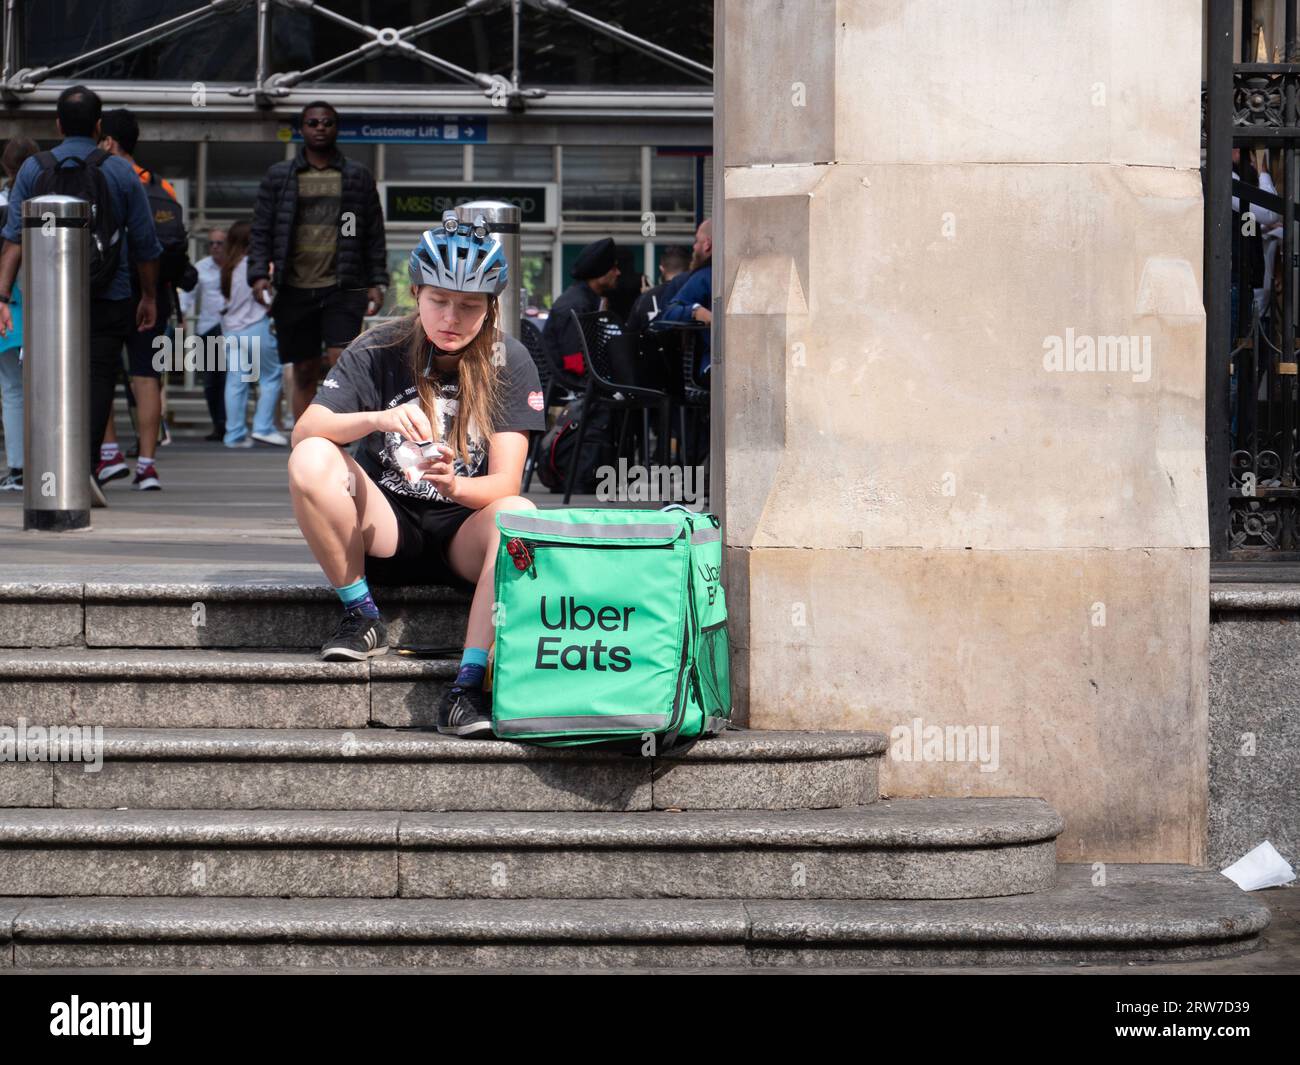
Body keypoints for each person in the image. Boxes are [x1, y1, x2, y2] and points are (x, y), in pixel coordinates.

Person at [288, 210, 545, 737]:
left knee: (520, 515)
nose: (452, 317)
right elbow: (305, 430)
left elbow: (505, 487)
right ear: (415, 293)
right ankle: (361, 614)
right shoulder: (379, 345)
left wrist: (453, 484)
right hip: (388, 527)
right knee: (311, 458)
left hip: (464, 534)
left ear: (490, 308)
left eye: (469, 306)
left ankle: (467, 688)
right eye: (438, 301)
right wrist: (377, 418)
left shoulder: (510, 360)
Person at [0, 85, 162, 506]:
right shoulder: (120, 171)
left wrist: (2, 297)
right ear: (98, 125)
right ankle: (83, 466)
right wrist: (149, 296)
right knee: (97, 380)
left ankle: (49, 469)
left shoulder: (34, 170)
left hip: (47, 298)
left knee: (46, 379)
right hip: (110, 293)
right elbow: (145, 242)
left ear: (56, 124)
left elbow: (13, 239)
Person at [249, 100, 387, 421]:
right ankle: (305, 442)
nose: (320, 128)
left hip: (343, 286)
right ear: (302, 129)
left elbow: (372, 232)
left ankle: (340, 438)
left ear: (336, 128)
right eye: (313, 123)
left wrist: (376, 281)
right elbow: (262, 230)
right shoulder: (280, 176)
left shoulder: (356, 176)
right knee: (304, 368)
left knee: (343, 365)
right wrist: (258, 274)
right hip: (294, 288)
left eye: (327, 122)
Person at [96, 107, 195, 491]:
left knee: (100, 370)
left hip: (110, 291)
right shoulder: (161, 186)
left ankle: (108, 455)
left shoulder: (101, 177)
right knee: (147, 377)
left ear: (108, 141)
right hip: (155, 296)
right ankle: (148, 466)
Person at [219, 221, 284, 448]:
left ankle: (234, 434)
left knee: (236, 382)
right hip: (255, 325)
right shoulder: (254, 266)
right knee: (271, 377)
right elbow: (264, 299)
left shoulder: (229, 267)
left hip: (231, 330)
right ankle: (263, 427)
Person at [0, 137, 38, 492]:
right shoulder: (48, 199)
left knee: (12, 389)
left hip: (5, 305)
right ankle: (50, 461)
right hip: (46, 304)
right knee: (46, 388)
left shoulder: (2, 201)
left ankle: (18, 468)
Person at [540, 236, 620, 377]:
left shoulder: (584, 299)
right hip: (571, 387)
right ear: (600, 274)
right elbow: (575, 364)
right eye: (613, 268)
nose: (618, 273)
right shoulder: (577, 305)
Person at [179, 228, 228, 441]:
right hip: (208, 329)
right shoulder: (201, 267)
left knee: (233, 380)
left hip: (233, 329)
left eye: (220, 243)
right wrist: (180, 315)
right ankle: (218, 424)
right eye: (212, 243)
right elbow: (188, 295)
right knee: (210, 381)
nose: (215, 247)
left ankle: (231, 425)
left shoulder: (238, 266)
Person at [657, 219, 714, 372]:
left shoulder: (706, 275)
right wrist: (696, 311)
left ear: (707, 244)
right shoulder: (704, 276)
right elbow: (669, 314)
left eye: (697, 241)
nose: (694, 247)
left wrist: (695, 311)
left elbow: (667, 314)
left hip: (714, 369)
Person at [625, 243, 691, 335]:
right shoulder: (696, 294)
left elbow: (629, 335)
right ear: (689, 268)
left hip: (651, 348)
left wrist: (648, 296)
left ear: (662, 268)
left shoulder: (644, 299)